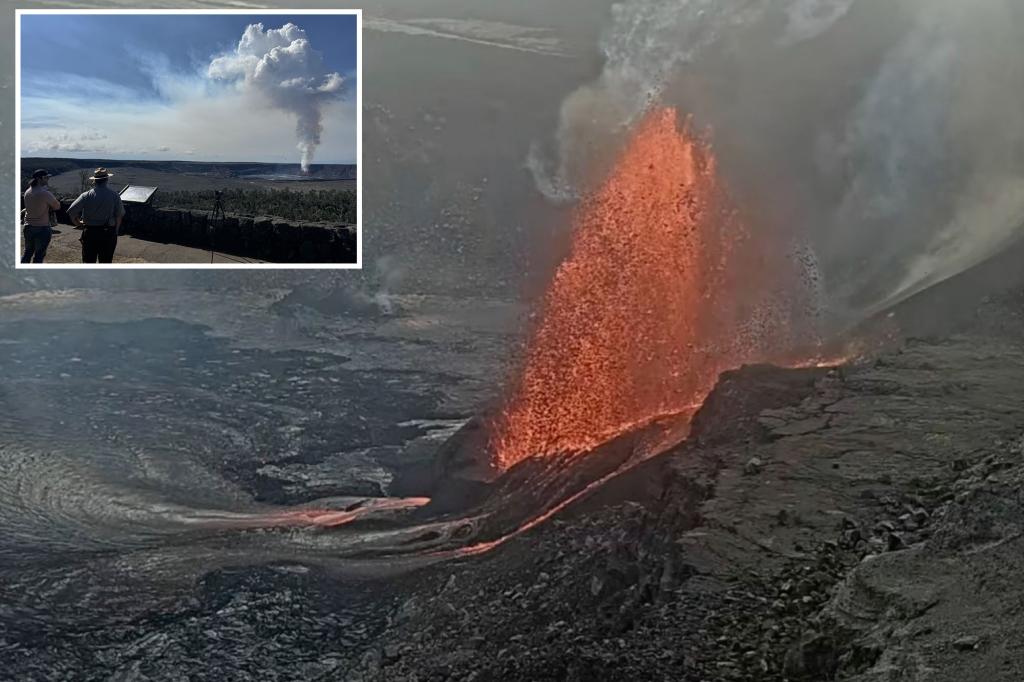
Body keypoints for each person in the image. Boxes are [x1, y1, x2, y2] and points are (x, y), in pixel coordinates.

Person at [66, 167, 126, 263]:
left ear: (95, 181)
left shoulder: (86, 195)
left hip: (90, 233)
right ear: (107, 179)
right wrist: (116, 231)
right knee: (106, 262)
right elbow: (119, 215)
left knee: (89, 262)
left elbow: (72, 212)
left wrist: (78, 224)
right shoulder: (115, 195)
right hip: (108, 233)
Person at [21, 168, 60, 264]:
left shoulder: (27, 192)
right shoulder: (45, 193)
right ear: (39, 179)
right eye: (46, 177)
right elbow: (57, 206)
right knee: (39, 256)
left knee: (27, 252)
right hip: (42, 228)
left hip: (28, 226)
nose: (48, 179)